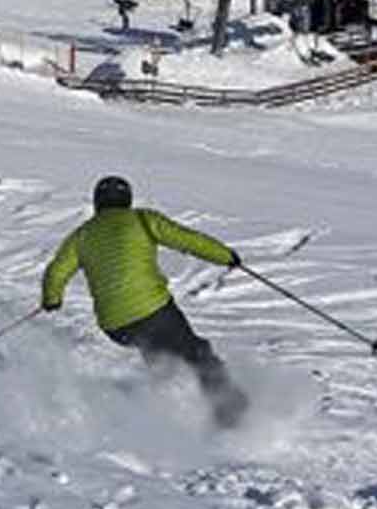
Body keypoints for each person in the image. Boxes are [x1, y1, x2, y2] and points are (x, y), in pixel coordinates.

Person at [41, 176, 249, 427]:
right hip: (155, 311)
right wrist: (225, 256)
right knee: (196, 352)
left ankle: (168, 411)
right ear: (127, 199)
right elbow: (186, 239)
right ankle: (231, 413)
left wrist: (52, 300)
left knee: (158, 354)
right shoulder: (142, 219)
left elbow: (56, 272)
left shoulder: (81, 235)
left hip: (116, 327)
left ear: (97, 203)